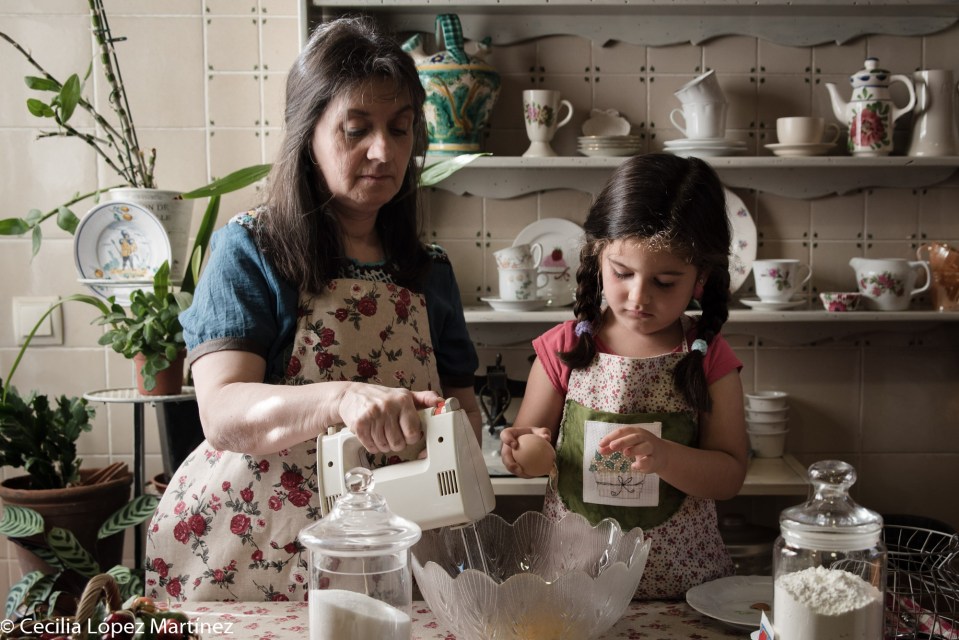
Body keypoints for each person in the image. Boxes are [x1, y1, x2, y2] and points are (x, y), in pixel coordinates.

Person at [144, 16, 480, 602]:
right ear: (308, 133)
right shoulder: (252, 249)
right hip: (257, 550)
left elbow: (467, 414)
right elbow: (222, 411)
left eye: (400, 130)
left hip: (394, 550)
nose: (384, 150)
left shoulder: (429, 271)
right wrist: (342, 397)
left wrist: (439, 428)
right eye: (357, 129)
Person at [500, 153, 748, 600]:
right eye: (622, 273)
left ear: (701, 278)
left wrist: (665, 458)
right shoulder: (564, 349)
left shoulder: (709, 357)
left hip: (681, 592)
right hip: (573, 591)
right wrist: (524, 452)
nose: (638, 297)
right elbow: (535, 459)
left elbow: (729, 476)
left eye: (665, 281)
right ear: (598, 257)